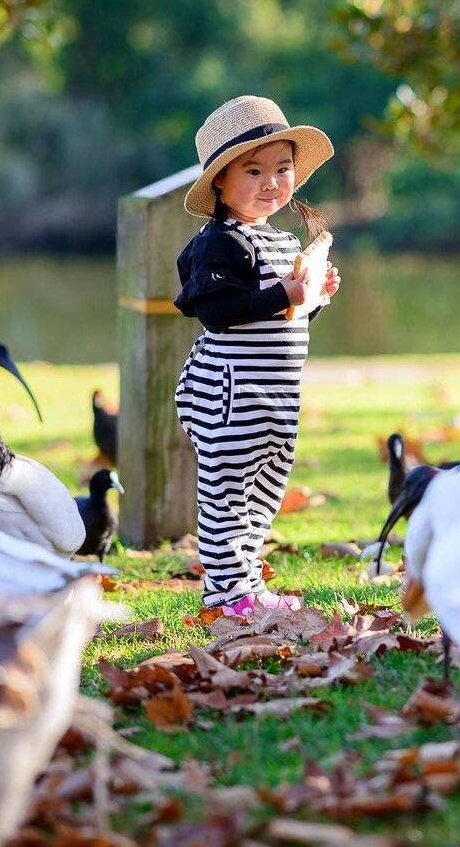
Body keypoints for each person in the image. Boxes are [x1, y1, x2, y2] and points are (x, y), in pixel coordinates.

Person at [171, 95, 341, 616]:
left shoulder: (279, 240)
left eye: (282, 169)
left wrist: (313, 298)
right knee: (227, 493)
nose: (272, 182)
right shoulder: (220, 243)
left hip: (274, 394)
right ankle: (225, 594)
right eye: (255, 171)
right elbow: (217, 310)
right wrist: (282, 295)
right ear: (220, 181)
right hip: (229, 391)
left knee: (263, 492)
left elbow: (279, 317)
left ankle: (248, 584)